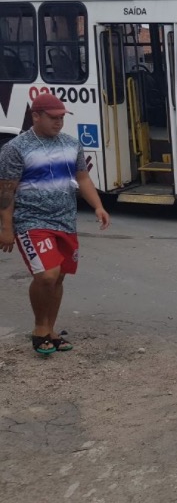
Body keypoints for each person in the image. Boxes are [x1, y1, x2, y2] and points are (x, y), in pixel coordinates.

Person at [0, 93, 110, 355]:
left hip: (65, 220)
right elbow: (6, 191)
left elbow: (82, 179)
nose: (59, 122)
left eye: (62, 117)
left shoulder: (71, 144)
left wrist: (98, 206)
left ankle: (51, 330)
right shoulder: (16, 148)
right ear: (36, 116)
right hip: (31, 221)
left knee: (59, 276)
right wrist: (6, 228)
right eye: (53, 117)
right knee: (47, 275)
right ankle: (40, 329)